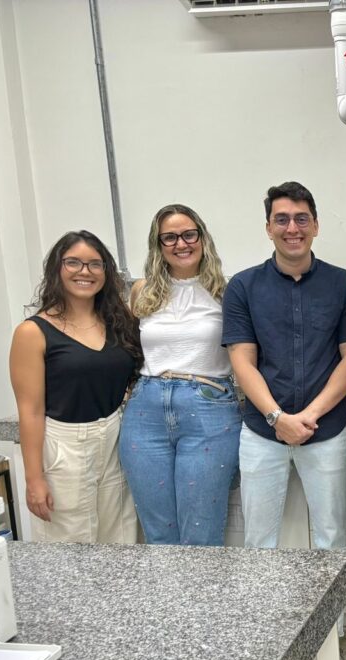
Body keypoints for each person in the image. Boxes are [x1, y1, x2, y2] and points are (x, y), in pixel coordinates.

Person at [222, 181, 346, 660]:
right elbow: (242, 360)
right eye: (282, 219)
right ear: (268, 227)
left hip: (325, 431)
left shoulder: (344, 283)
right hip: (261, 431)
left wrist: (311, 417)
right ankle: (265, 645)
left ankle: (330, 645)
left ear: (316, 225)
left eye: (302, 218)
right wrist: (280, 418)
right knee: (260, 539)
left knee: (329, 538)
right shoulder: (243, 287)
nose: (292, 228)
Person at [119, 204, 240, 546]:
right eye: (169, 237)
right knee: (158, 536)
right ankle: (167, 602)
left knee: (200, 536)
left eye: (189, 234)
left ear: (202, 238)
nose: (180, 244)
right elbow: (129, 349)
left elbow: (246, 354)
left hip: (208, 405)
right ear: (158, 245)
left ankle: (203, 602)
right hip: (146, 409)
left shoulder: (227, 291)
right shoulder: (142, 291)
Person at [10, 231, 141, 543]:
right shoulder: (32, 332)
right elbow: (30, 411)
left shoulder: (119, 323)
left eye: (95, 264)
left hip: (113, 441)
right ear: (57, 269)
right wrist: (34, 479)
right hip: (63, 447)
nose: (85, 271)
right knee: (68, 551)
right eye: (74, 263)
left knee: (120, 542)